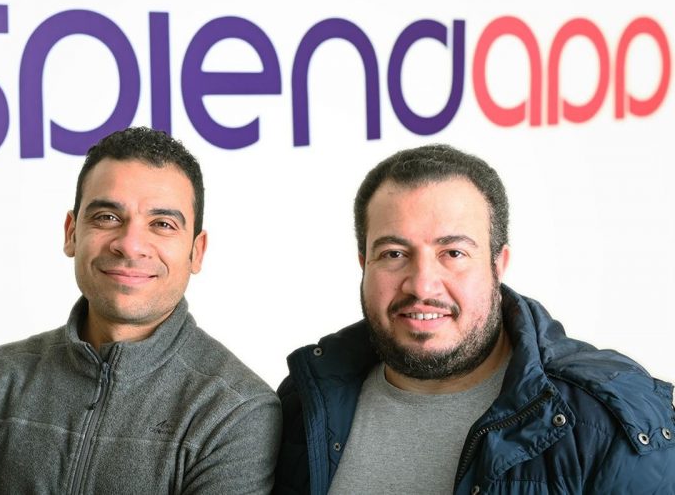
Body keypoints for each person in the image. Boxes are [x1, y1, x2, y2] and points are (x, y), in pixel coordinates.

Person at [275, 144, 675, 494]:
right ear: (364, 264)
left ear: (498, 264)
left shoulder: (608, 424)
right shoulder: (305, 403)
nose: (422, 284)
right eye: (394, 254)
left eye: (453, 253)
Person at [0, 127, 281, 494]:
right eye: (107, 217)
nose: (130, 245)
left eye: (162, 224)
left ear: (196, 252)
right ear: (71, 232)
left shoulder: (235, 410)